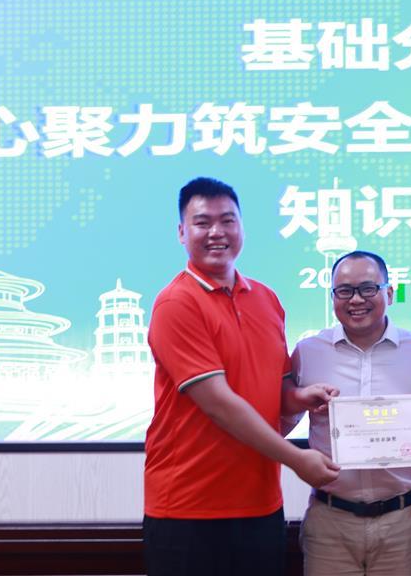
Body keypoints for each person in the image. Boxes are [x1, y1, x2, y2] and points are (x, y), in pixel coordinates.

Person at [143, 176, 340, 576]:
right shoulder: (177, 303)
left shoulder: (266, 299)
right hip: (188, 508)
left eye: (227, 220)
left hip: (260, 502)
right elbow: (219, 404)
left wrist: (300, 397)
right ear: (182, 233)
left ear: (242, 227)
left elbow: (274, 389)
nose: (216, 232)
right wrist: (297, 459)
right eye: (202, 222)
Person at [283, 250, 411, 576]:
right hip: (329, 521)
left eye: (367, 288)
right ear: (332, 297)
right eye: (344, 291)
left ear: (389, 293)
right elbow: (280, 423)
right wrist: (296, 399)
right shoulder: (308, 352)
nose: (356, 299)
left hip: (401, 523)